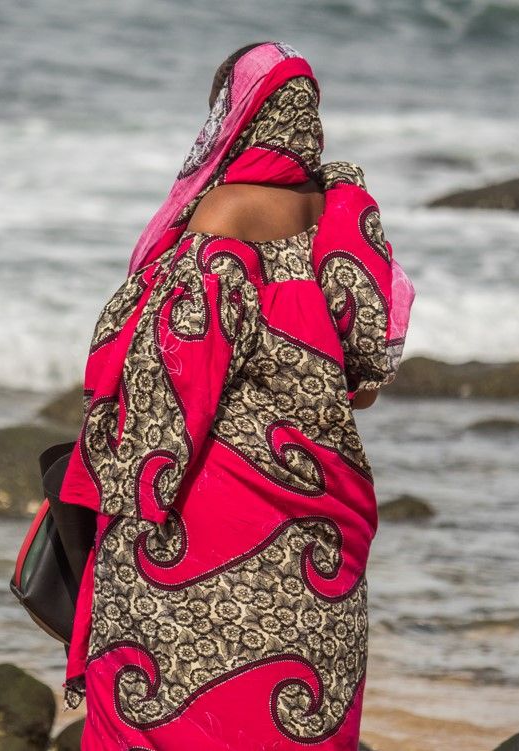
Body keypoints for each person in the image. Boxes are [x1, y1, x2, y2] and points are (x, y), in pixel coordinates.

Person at [56, 42, 415, 749]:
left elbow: (171, 380)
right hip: (321, 522)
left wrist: (100, 481)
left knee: (160, 713)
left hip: (212, 512)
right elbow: (364, 383)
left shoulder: (226, 211)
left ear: (234, 115)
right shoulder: (346, 214)